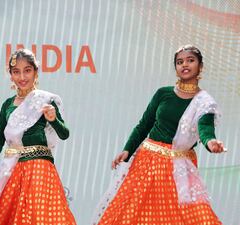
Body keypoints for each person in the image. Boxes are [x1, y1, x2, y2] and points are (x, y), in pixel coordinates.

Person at [93, 45, 225, 225]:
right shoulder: (163, 93)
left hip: (179, 167)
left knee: (194, 215)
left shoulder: (204, 103)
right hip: (148, 162)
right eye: (180, 62)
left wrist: (211, 143)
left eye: (190, 60)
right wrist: (127, 150)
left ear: (200, 66)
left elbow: (205, 128)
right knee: (136, 212)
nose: (184, 65)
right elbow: (144, 124)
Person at [0, 49, 76, 225]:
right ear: (10, 75)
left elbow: (64, 134)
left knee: (38, 218)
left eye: (27, 70)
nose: (22, 76)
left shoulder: (45, 100)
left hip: (40, 170)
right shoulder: (7, 105)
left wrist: (54, 120)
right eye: (16, 72)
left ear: (36, 72)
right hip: (13, 170)